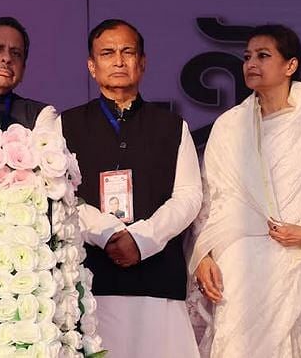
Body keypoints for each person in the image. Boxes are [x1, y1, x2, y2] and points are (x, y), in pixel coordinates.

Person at [61, 19, 202, 358]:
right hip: (91, 276)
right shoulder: (64, 125)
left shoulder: (171, 125)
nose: (119, 61)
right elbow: (60, 195)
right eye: (108, 53)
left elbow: (188, 196)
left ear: (143, 62)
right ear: (92, 67)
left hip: (157, 279)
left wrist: (142, 239)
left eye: (128, 52)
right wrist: (107, 232)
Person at [189, 25, 301, 357]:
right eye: (247, 57)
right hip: (235, 264)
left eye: (263, 56)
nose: (252, 63)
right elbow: (210, 198)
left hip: (292, 261)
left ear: (290, 66)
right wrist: (204, 256)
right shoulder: (229, 125)